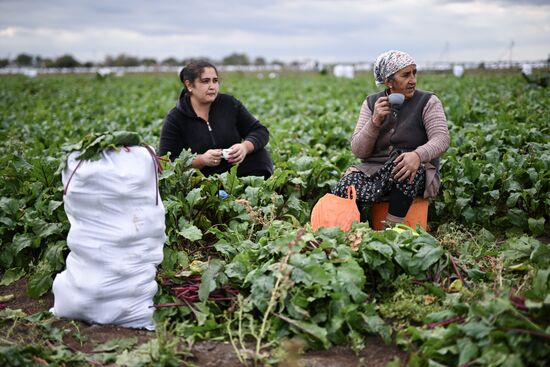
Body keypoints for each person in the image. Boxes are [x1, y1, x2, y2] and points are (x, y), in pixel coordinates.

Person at [332, 50, 450, 227]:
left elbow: (441, 138)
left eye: (414, 73)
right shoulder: (372, 103)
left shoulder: (428, 101)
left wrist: (417, 156)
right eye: (406, 75)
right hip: (376, 171)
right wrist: (374, 122)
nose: (413, 80)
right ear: (388, 81)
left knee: (405, 163)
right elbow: (358, 150)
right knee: (345, 186)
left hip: (414, 169)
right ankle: (354, 229)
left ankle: (391, 229)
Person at [159, 60, 274, 178]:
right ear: (189, 85)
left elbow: (260, 131)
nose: (212, 86)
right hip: (201, 178)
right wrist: (201, 160)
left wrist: (244, 147)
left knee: (259, 154)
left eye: (215, 81)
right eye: (205, 81)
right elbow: (166, 161)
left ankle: (248, 189)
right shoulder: (175, 118)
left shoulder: (229, 104)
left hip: (232, 170)